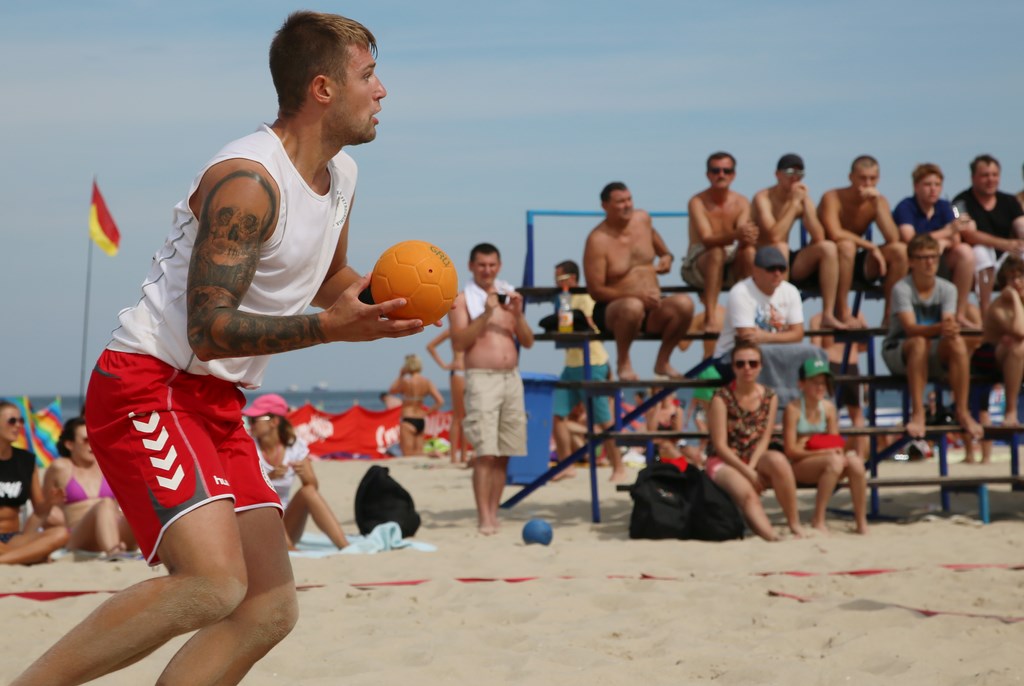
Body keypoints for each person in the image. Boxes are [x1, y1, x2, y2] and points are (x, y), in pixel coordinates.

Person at [13, 13, 424, 685]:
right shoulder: (247, 181)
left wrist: (385, 303)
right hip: (149, 383)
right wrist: (331, 329)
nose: (382, 91)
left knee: (268, 609)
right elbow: (210, 328)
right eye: (369, 75)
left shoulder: (342, 175)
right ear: (322, 88)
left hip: (215, 397)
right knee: (211, 584)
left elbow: (325, 277)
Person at [450, 243, 534, 534]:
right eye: (482, 265)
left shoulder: (508, 295)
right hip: (481, 378)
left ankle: (494, 512)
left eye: (492, 265)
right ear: (471, 266)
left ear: (499, 266)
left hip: (511, 377)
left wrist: (518, 314)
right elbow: (459, 343)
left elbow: (528, 341)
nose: (487, 270)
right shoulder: (463, 299)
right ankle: (484, 515)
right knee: (485, 452)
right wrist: (486, 315)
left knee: (504, 452)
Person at [584, 181, 695, 380]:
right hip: (614, 311)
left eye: (629, 199)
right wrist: (635, 296)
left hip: (652, 306)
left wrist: (666, 257)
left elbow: (661, 248)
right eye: (620, 202)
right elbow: (596, 290)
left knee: (685, 304)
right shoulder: (597, 240)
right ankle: (623, 362)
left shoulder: (642, 219)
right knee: (632, 306)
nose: (627, 205)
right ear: (605, 206)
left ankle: (663, 361)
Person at [882, 234, 983, 441]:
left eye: (934, 257)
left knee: (957, 343)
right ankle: (918, 412)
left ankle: (962, 411)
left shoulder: (947, 289)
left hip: (933, 351)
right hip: (899, 350)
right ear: (911, 262)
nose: (929, 263)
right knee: (919, 342)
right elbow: (911, 329)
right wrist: (942, 327)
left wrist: (950, 329)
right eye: (923, 258)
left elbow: (948, 324)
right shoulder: (902, 289)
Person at [704, 340, 804, 541]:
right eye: (740, 364)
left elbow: (765, 437)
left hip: (754, 456)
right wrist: (747, 471)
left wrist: (752, 466)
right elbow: (720, 446)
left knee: (779, 461)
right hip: (724, 461)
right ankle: (771, 537)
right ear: (733, 367)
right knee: (748, 493)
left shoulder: (769, 396)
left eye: (753, 363)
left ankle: (794, 524)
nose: (747, 368)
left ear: (760, 366)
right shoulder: (721, 398)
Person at [711, 245, 822, 407]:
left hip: (773, 354)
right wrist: (783, 336)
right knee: (757, 358)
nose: (777, 273)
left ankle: (812, 410)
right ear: (755, 271)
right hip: (731, 357)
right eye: (771, 269)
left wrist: (765, 336)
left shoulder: (790, 291)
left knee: (813, 353)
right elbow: (747, 338)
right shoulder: (741, 292)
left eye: (781, 269)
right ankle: (778, 410)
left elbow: (798, 334)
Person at [549, 260, 624, 482]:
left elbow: (593, 326)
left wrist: (577, 320)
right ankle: (566, 465)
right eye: (555, 279)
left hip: (593, 361)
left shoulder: (585, 297)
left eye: (560, 278)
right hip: (572, 363)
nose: (556, 282)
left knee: (603, 419)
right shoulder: (562, 298)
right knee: (557, 414)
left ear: (572, 278)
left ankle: (618, 466)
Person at [751, 153, 846, 329]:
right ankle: (780, 316)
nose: (794, 178)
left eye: (799, 174)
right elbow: (774, 236)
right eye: (789, 173)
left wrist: (806, 205)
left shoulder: (801, 198)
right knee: (780, 247)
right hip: (762, 260)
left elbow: (819, 237)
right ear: (777, 174)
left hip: (785, 260)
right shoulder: (763, 198)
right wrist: (793, 205)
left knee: (828, 248)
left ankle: (828, 314)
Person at [244, 394, 349, 550]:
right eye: (249, 420)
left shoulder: (294, 446)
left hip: (286, 521)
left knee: (308, 491)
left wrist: (304, 474)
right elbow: (244, 490)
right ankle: (289, 549)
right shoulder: (248, 446)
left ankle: (344, 546)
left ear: (274, 422)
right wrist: (269, 477)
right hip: (260, 520)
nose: (250, 424)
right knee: (267, 503)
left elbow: (313, 486)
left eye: (254, 420)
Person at [782, 358, 868, 534]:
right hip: (800, 464)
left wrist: (837, 451)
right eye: (815, 382)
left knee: (856, 464)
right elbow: (790, 451)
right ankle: (818, 518)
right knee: (834, 462)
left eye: (823, 383)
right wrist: (824, 452)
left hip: (824, 458)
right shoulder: (793, 409)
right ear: (802, 384)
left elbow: (834, 442)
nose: (820, 387)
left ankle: (861, 521)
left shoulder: (828, 408)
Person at [819, 155, 908, 325]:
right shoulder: (832, 197)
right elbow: (835, 234)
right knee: (847, 246)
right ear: (851, 177)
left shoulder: (879, 201)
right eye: (862, 178)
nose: (867, 184)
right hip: (829, 260)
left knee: (900, 251)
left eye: (872, 178)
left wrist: (877, 205)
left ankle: (890, 316)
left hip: (856, 260)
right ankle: (842, 313)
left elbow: (893, 238)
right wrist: (871, 247)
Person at [35, 417, 137, 557]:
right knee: (105, 504)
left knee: (139, 508)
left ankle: (137, 548)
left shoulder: (106, 465)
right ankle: (114, 552)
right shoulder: (60, 467)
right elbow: (43, 510)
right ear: (70, 444)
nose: (91, 444)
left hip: (114, 528)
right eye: (85, 440)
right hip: (79, 533)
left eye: (94, 439)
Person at [682, 152, 758, 334]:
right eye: (716, 171)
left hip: (729, 259)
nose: (721, 175)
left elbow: (743, 236)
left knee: (749, 252)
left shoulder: (741, 202)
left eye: (726, 171)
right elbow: (707, 239)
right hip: (700, 260)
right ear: (708, 174)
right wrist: (738, 234)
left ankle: (748, 317)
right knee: (716, 252)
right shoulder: (697, 202)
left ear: (733, 175)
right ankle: (710, 318)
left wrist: (750, 235)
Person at [893, 163, 977, 326]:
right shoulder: (906, 206)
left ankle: (959, 313)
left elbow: (956, 238)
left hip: (941, 258)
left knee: (965, 252)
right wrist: (944, 234)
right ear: (916, 186)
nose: (933, 189)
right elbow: (910, 239)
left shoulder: (944, 206)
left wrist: (943, 241)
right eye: (928, 184)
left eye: (937, 185)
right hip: (914, 262)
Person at [0, 401, 69, 565]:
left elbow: (39, 511)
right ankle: (27, 556)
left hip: (12, 537)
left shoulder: (26, 461)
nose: (18, 425)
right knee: (39, 552)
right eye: (12, 421)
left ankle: (6, 559)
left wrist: (50, 502)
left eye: (21, 420)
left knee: (61, 533)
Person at [953, 154, 1024, 314]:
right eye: (985, 175)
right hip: (977, 258)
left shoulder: (1010, 201)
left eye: (994, 175)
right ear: (973, 177)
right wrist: (1004, 244)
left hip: (1007, 256)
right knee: (981, 253)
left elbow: (1021, 225)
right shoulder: (958, 203)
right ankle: (985, 314)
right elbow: (968, 233)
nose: (990, 179)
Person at [809, 310, 868, 460]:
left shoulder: (818, 318)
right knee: (857, 416)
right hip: (852, 365)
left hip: (830, 364)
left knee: (831, 415)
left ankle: (833, 453)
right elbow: (865, 345)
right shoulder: (857, 316)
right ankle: (860, 456)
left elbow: (815, 350)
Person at [974, 255, 1024, 429]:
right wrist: (1016, 299)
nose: (1017, 282)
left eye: (1020, 277)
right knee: (1017, 347)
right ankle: (1010, 410)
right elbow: (1020, 331)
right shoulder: (998, 306)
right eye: (1012, 278)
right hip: (990, 358)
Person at [426, 328, 468, 465]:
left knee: (467, 416)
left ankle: (463, 455)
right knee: (458, 416)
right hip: (459, 372)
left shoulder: (474, 326)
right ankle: (454, 456)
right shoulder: (454, 329)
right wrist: (444, 365)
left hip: (472, 372)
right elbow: (430, 346)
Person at [388, 354, 444, 456]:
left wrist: (400, 375)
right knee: (418, 452)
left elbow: (391, 391)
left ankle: (432, 453)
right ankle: (432, 453)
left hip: (408, 419)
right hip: (421, 419)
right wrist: (427, 413)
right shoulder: (427, 382)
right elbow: (440, 401)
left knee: (407, 453)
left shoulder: (406, 381)